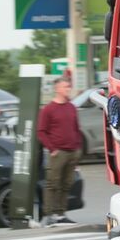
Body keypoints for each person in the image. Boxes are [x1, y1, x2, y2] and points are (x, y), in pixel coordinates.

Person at [37, 78, 80, 226]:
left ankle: (61, 214)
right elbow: (41, 131)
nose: (68, 89)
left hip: (72, 151)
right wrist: (52, 149)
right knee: (52, 184)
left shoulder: (71, 107)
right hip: (58, 152)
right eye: (65, 87)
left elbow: (76, 128)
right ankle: (49, 215)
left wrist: (78, 148)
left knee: (66, 184)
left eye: (69, 86)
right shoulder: (48, 109)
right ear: (57, 89)